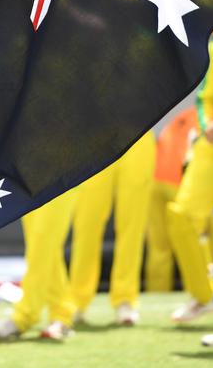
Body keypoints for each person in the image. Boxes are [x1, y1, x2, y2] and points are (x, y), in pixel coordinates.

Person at [69, 132, 156, 325]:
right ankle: (77, 298)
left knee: (133, 224)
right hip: (95, 136)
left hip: (138, 133)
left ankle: (125, 298)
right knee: (86, 222)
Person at [166, 32, 213, 322]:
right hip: (210, 151)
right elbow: (204, 99)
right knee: (181, 215)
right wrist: (208, 123)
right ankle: (205, 295)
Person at [0, 189, 79, 341]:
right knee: (43, 247)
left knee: (42, 243)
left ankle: (25, 316)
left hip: (62, 171)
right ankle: (62, 315)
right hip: (32, 173)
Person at [145, 107, 199, 292]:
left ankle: (157, 294)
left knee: (159, 248)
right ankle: (199, 294)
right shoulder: (202, 117)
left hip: (156, 179)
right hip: (180, 184)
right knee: (191, 244)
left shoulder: (186, 114)